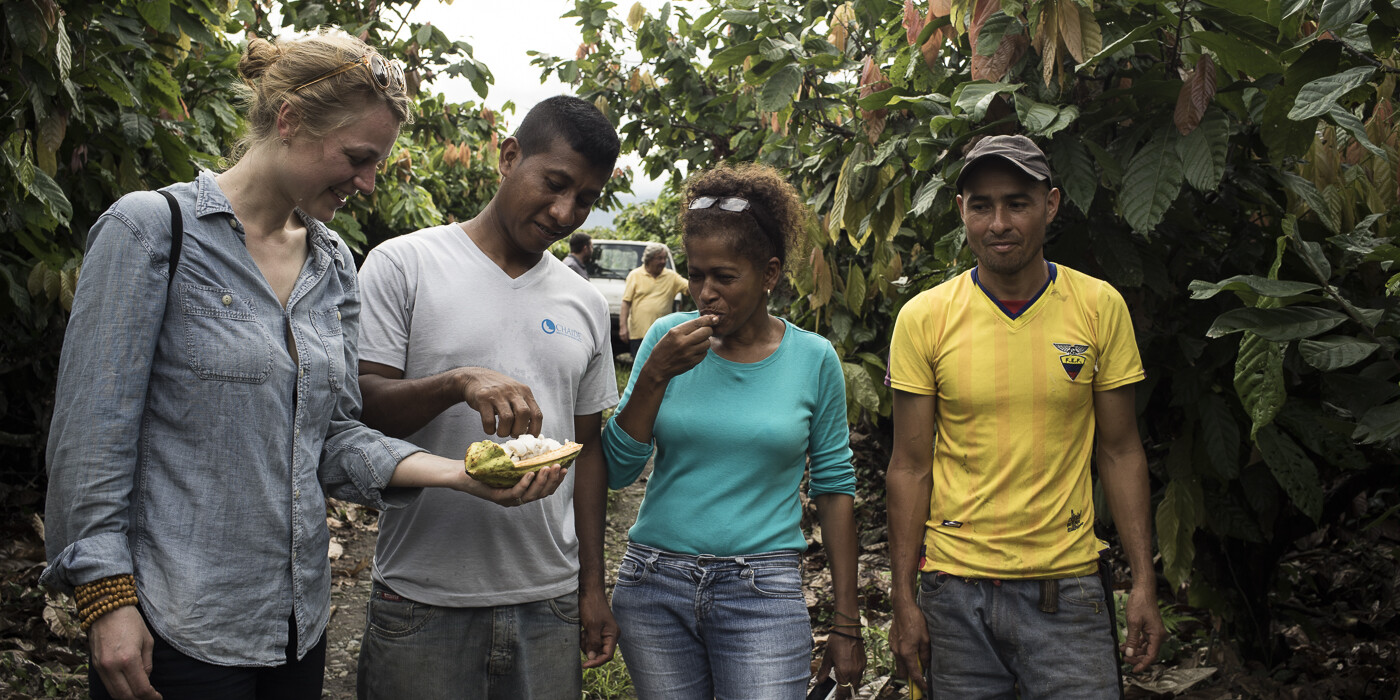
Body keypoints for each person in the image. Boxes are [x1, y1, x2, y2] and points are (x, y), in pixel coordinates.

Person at [41, 32, 564, 700]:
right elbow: (90, 440)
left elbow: (335, 436)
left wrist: (463, 476)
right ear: (289, 121)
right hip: (179, 624)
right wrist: (107, 600)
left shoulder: (333, 263)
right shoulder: (153, 230)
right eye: (358, 157)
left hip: (296, 629)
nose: (369, 183)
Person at [352, 95, 621, 700]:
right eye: (554, 184)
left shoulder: (582, 302)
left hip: (547, 599)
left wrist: (590, 587)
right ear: (508, 157)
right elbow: (361, 409)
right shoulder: (405, 265)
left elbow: (589, 451)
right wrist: (457, 382)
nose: (563, 212)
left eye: (585, 200)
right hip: (422, 596)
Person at [885, 135, 1166, 699]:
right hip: (955, 591)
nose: (999, 223)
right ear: (962, 209)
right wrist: (903, 597)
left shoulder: (1097, 306)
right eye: (982, 205)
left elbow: (1120, 450)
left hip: (1068, 588)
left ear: (1052, 205)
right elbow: (909, 466)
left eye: (1017, 202)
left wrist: (1143, 582)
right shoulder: (924, 318)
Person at [602, 162, 867, 700]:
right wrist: (653, 375)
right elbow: (617, 470)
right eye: (696, 275)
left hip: (761, 591)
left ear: (769, 274)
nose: (705, 293)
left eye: (724, 277)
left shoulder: (813, 359)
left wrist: (846, 621)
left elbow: (835, 489)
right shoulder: (666, 339)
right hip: (654, 583)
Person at [618, 241, 688, 356]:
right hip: (639, 333)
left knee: (663, 366)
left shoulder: (671, 276)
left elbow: (689, 287)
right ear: (649, 259)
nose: (663, 261)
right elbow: (626, 302)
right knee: (640, 367)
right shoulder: (635, 275)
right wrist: (623, 327)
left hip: (663, 334)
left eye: (664, 258)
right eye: (659, 258)